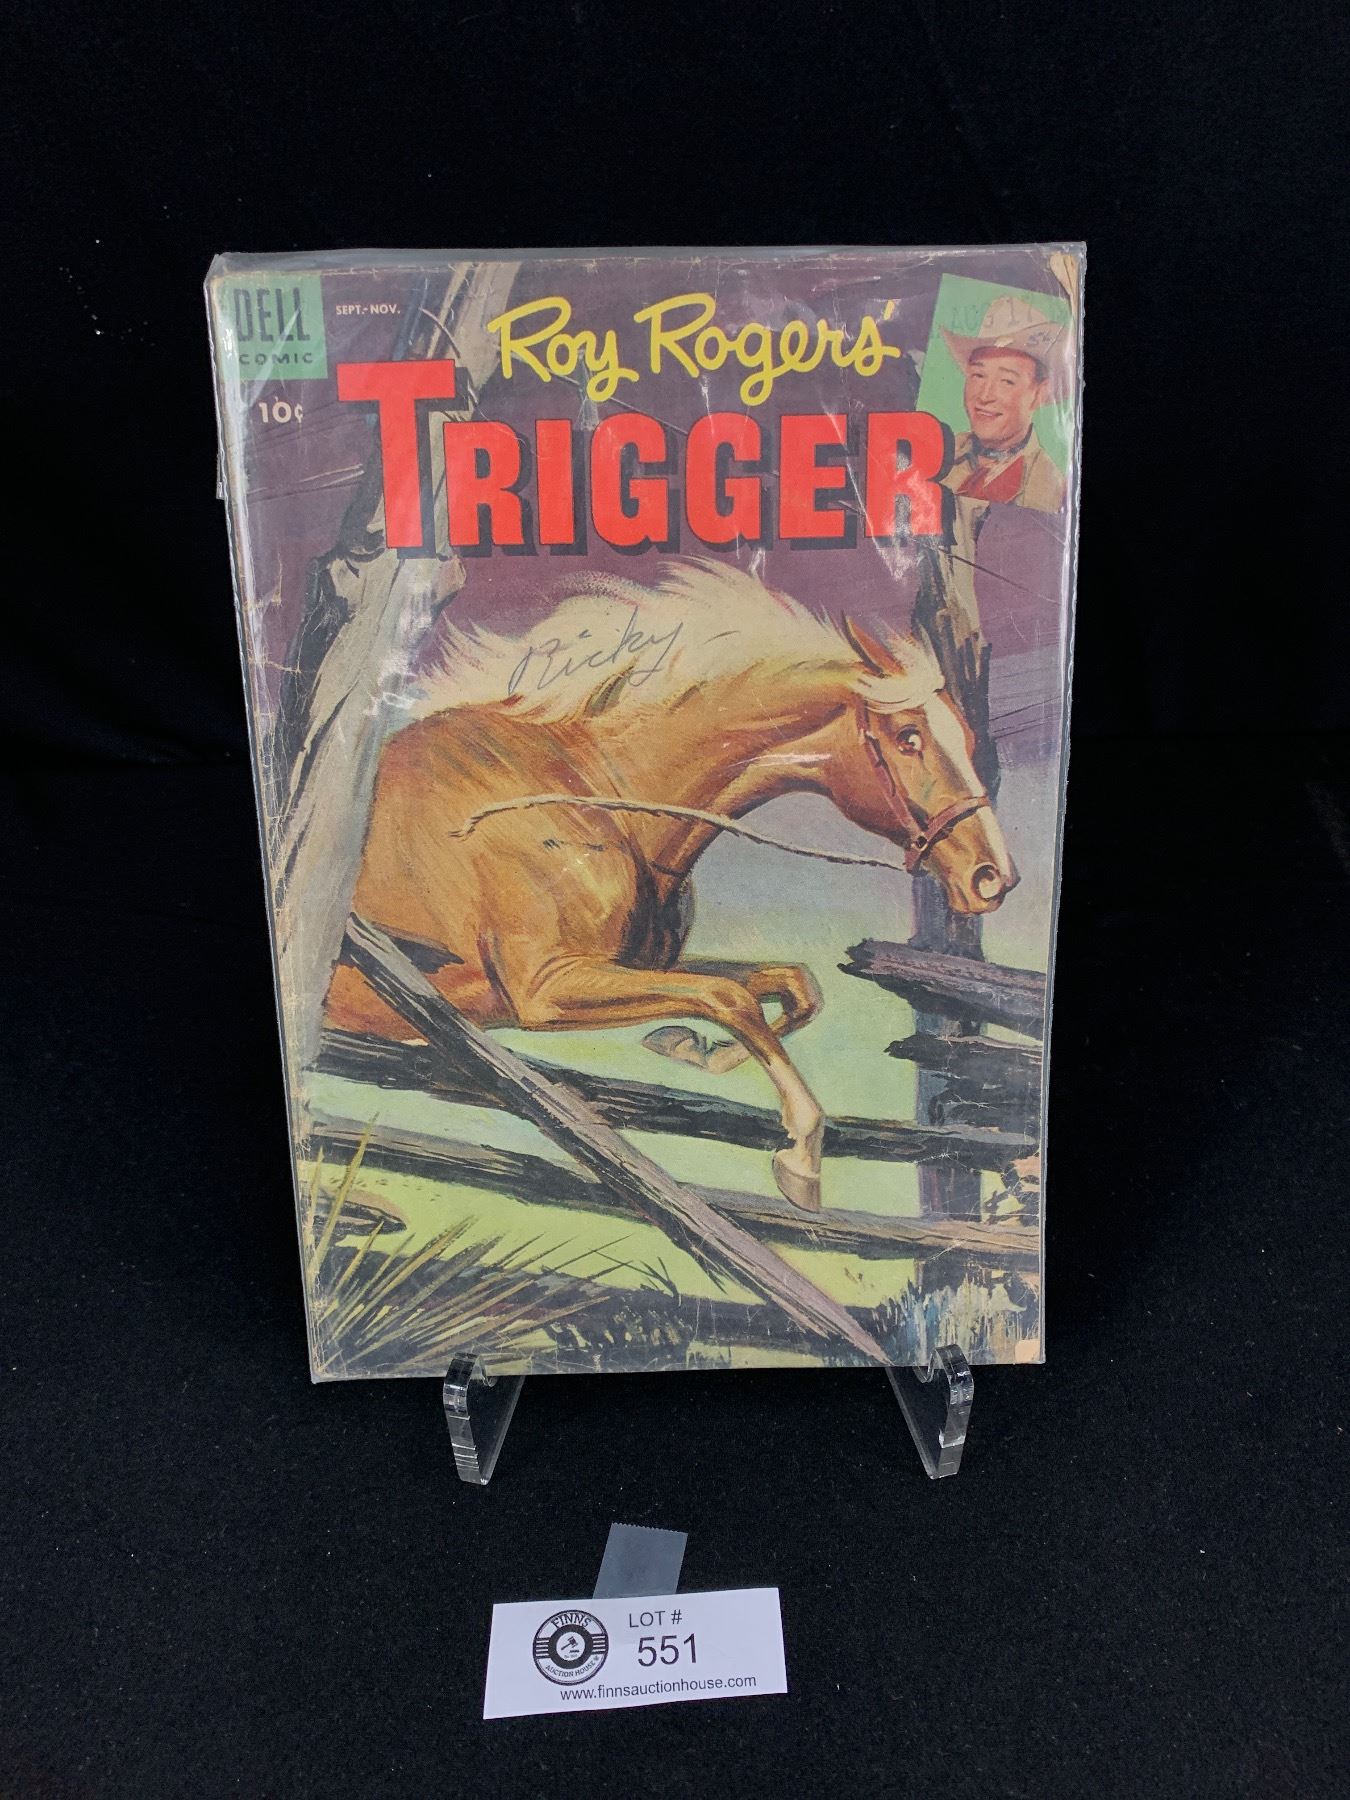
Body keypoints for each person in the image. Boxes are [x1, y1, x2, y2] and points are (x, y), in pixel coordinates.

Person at [941, 296, 1068, 513]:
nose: (985, 396)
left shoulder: (1051, 492)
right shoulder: (941, 453)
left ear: (1039, 393)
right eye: (978, 375)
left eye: (1007, 381)